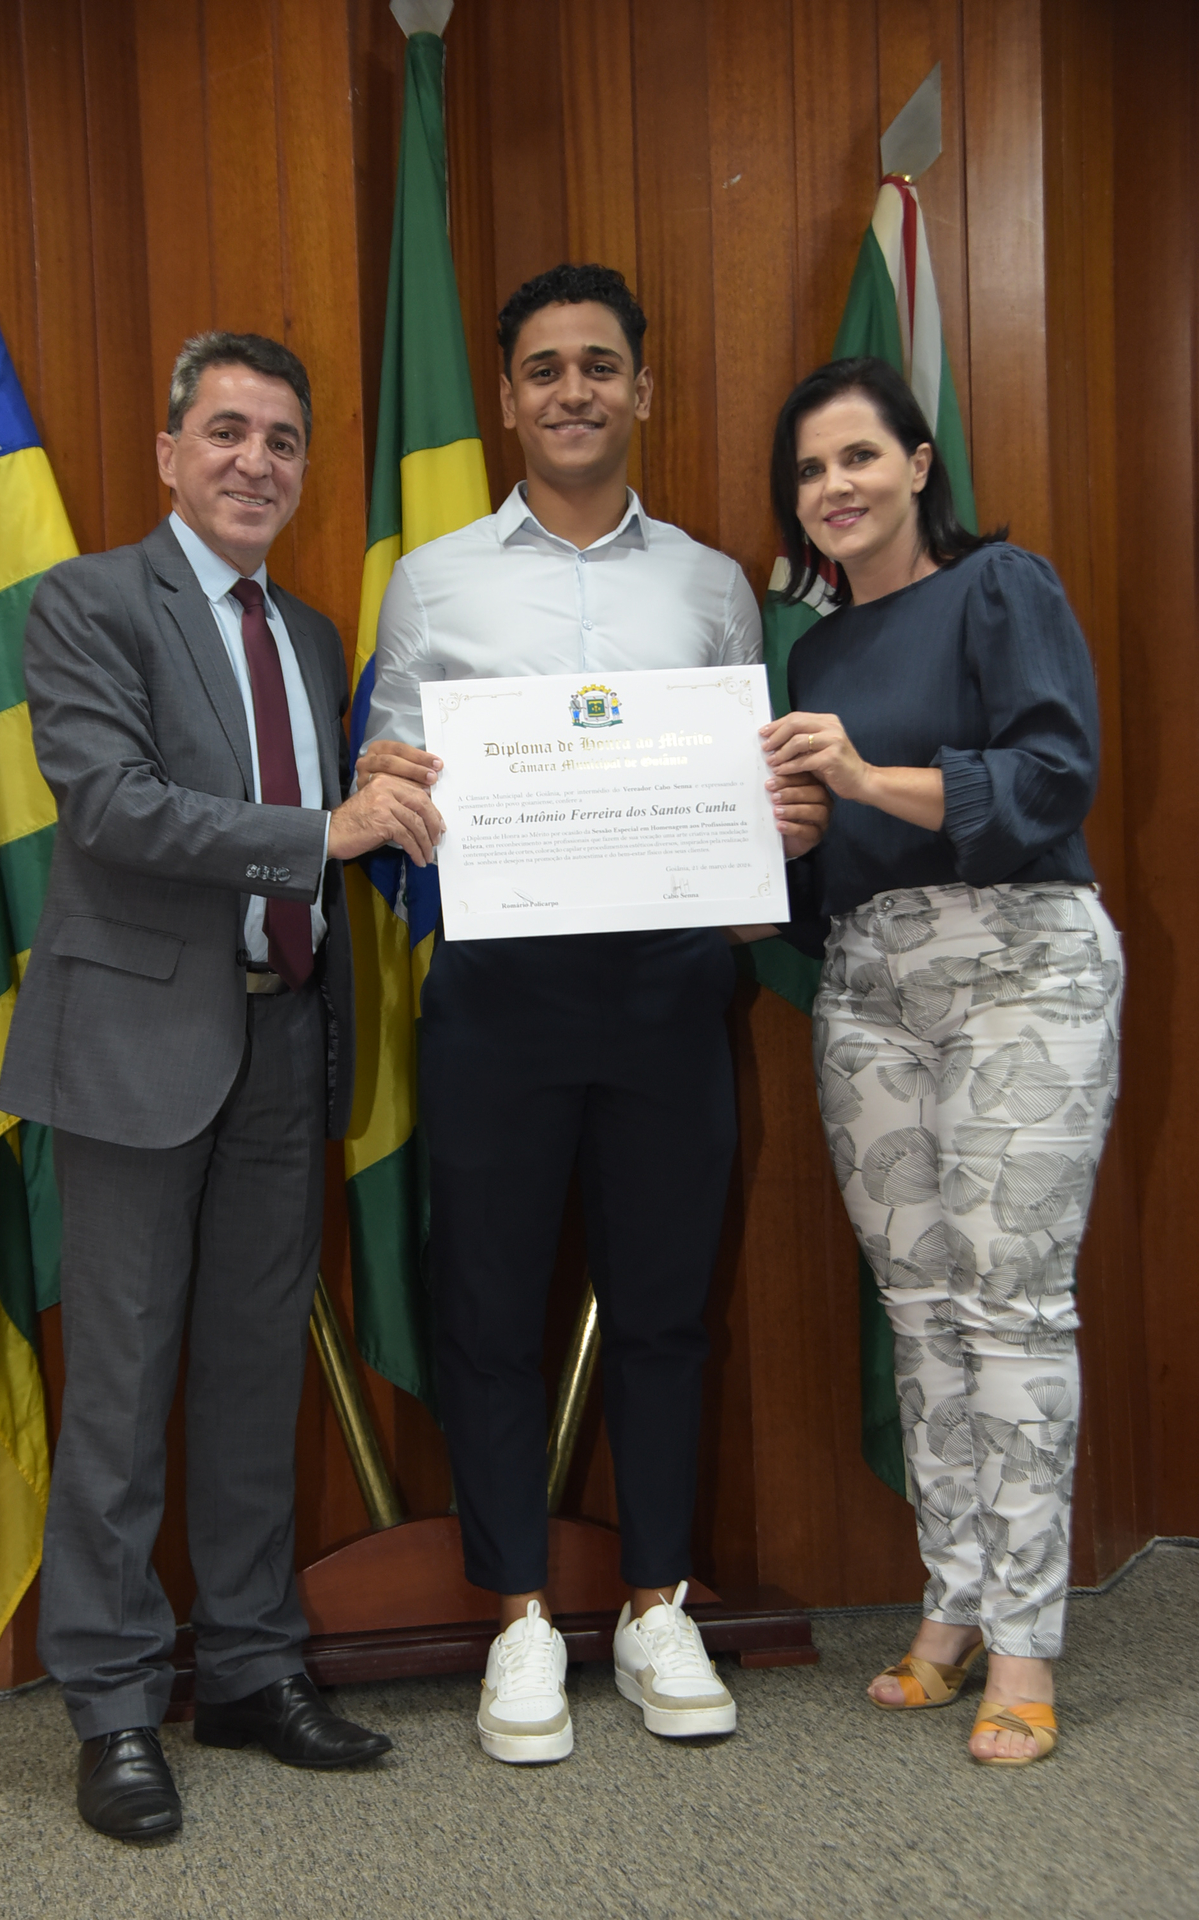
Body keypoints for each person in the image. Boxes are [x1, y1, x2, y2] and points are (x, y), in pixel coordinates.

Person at [356, 263, 830, 1763]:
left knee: (668, 1307)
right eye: (545, 368)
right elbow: (395, 774)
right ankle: (515, 1617)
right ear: (507, 398)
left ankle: (654, 1603)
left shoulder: (710, 585)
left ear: (643, 390)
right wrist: (392, 790)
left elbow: (745, 785)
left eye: (600, 365)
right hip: (497, 993)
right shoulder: (431, 581)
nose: (573, 390)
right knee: (489, 1306)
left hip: (669, 990)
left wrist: (769, 836)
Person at [0, 331, 444, 1840]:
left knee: (256, 1373)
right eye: (228, 432)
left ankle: (250, 1668)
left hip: (286, 1041)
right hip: (138, 1047)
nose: (257, 461)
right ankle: (115, 1704)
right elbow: (113, 808)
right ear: (171, 453)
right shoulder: (89, 601)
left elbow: (337, 811)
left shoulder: (311, 635)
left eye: (283, 440)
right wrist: (327, 833)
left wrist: (392, 807)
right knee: (122, 1384)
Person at [764, 355, 1122, 1768]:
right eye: (808, 470)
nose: (833, 486)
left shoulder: (1000, 587)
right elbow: (826, 875)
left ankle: (1026, 1644)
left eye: (858, 456)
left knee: (1012, 1309)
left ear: (918, 465)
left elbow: (1051, 778)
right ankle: (955, 1602)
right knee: (919, 1311)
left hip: (1022, 969)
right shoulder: (812, 656)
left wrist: (860, 779)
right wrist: (791, 842)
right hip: (867, 988)